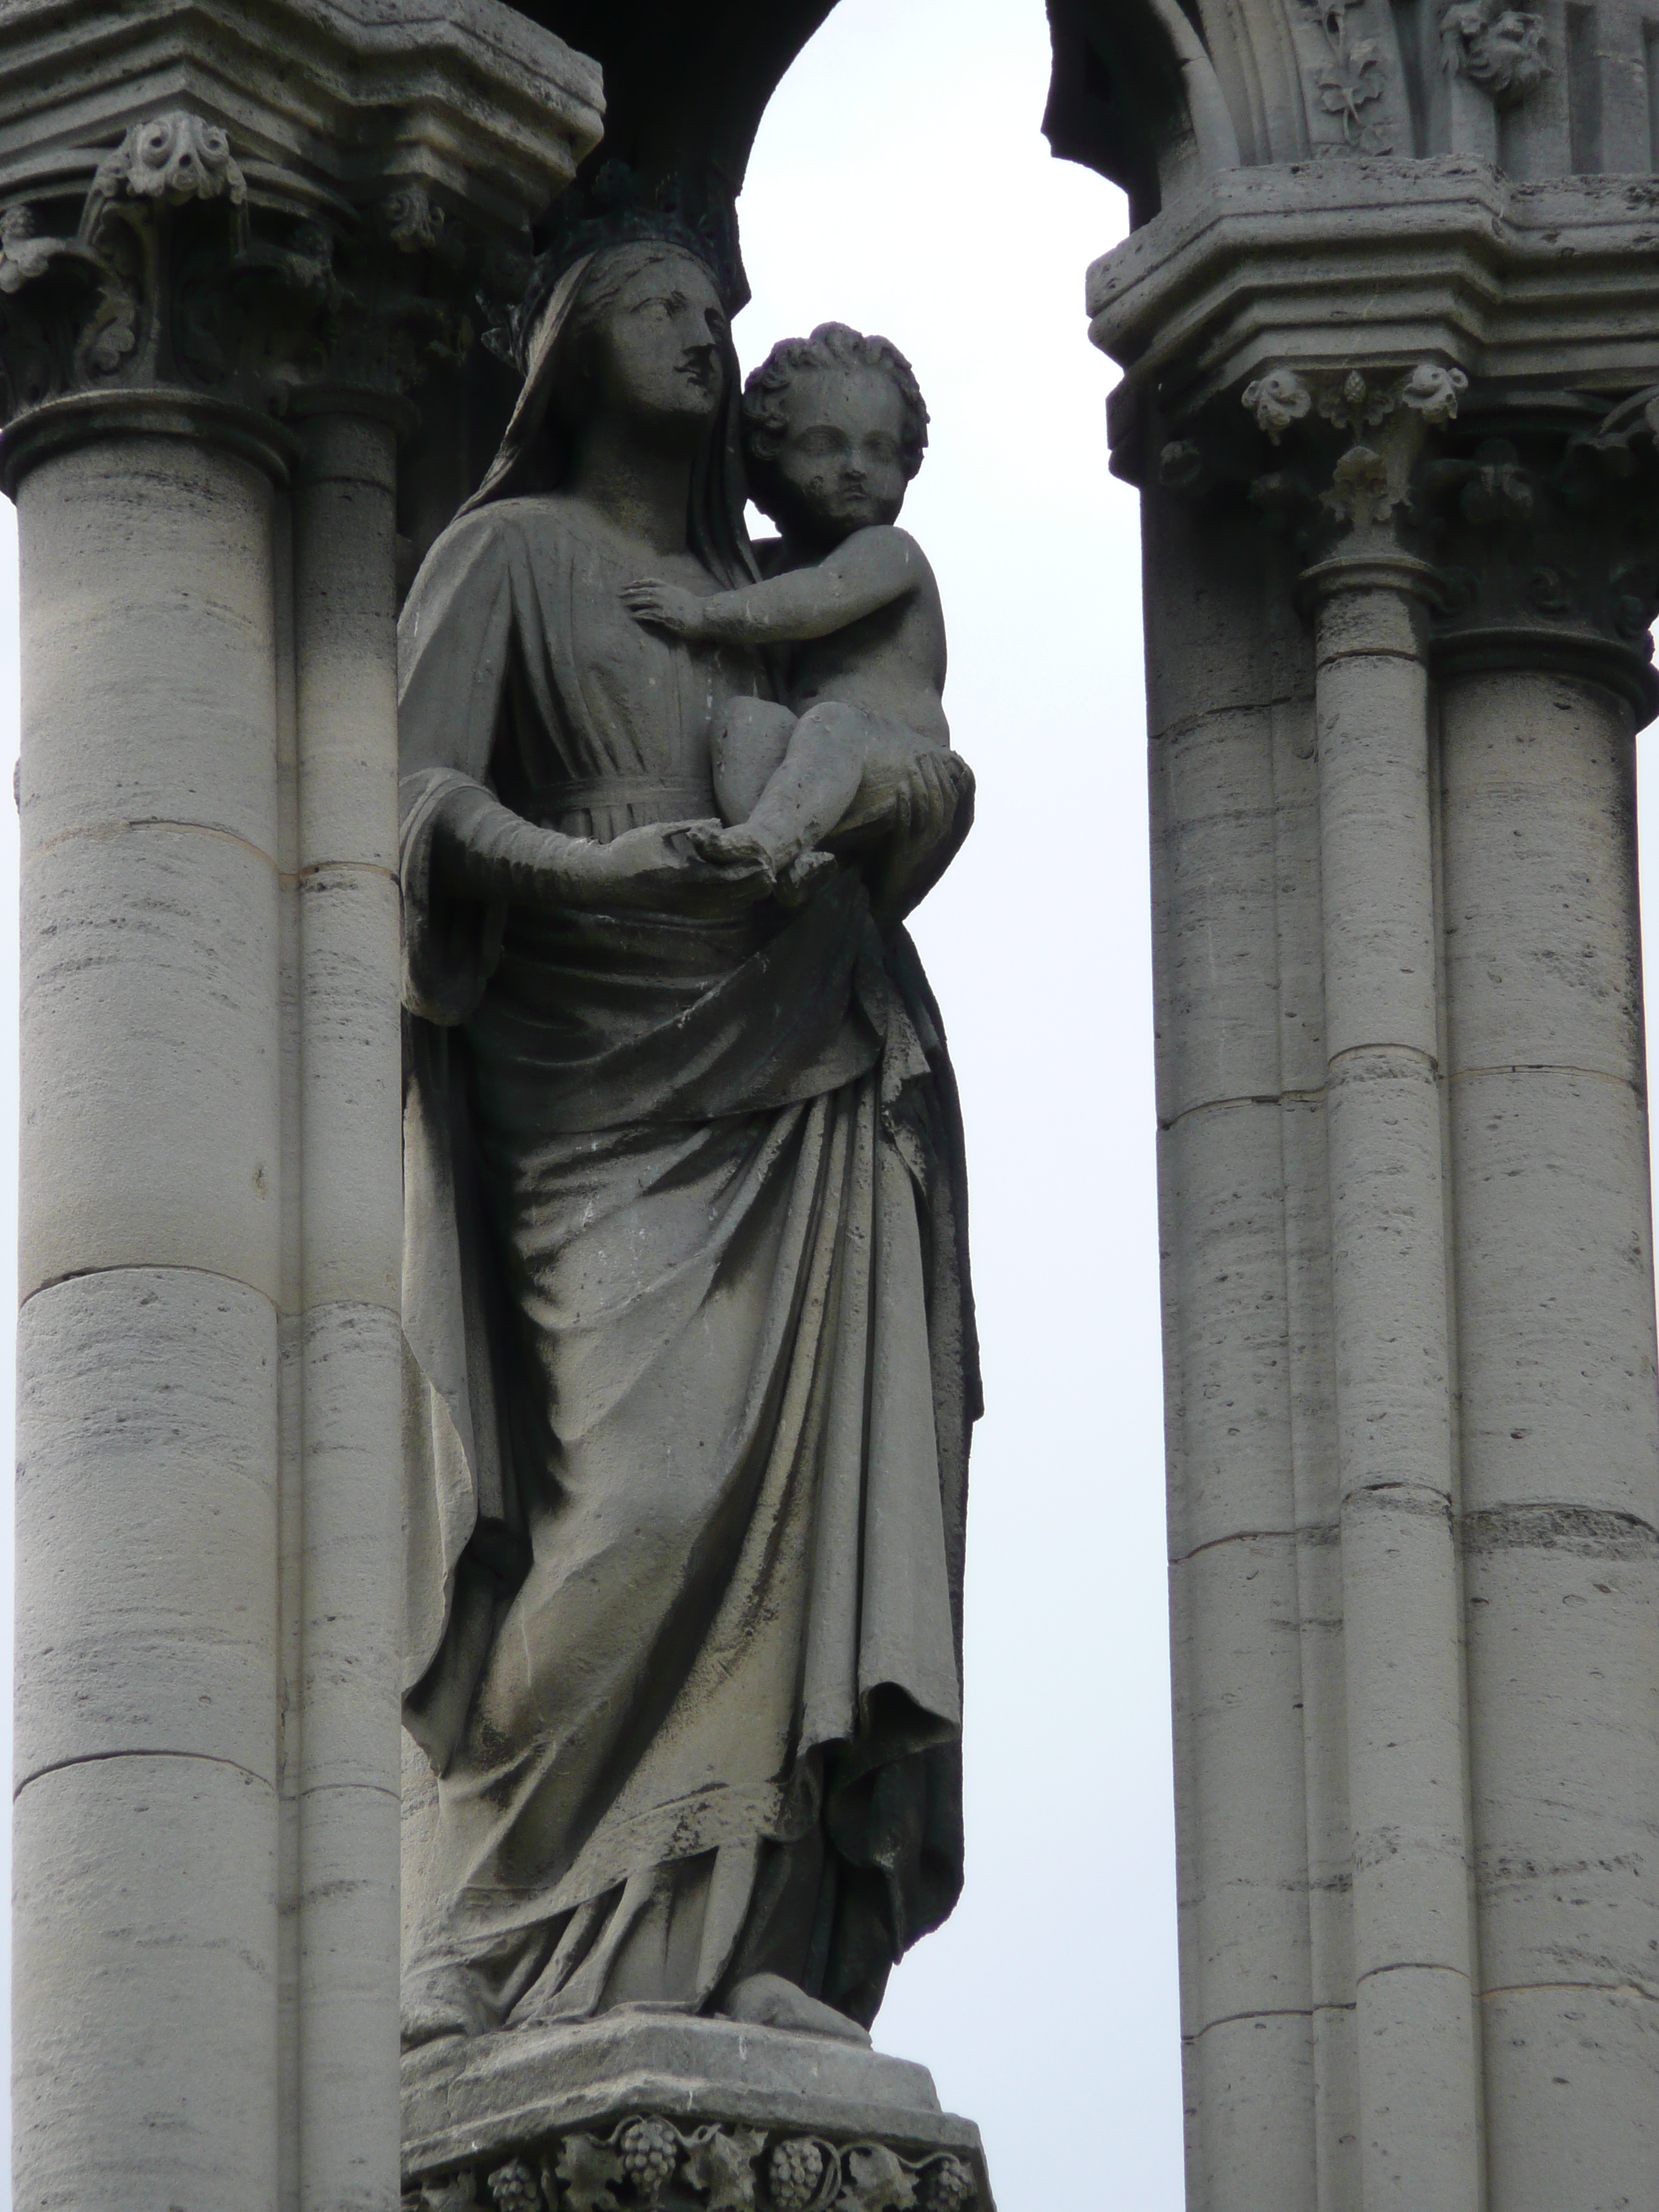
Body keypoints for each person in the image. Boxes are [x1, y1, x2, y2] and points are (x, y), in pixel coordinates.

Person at [396, 218, 980, 2052]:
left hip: (802, 1054)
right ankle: (495, 1922)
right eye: (660, 307)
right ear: (575, 343)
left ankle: (743, 1926)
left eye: (718, 314)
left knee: (791, 1505)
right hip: (593, 1069)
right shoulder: (510, 557)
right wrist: (589, 866)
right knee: (623, 1506)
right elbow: (412, 797)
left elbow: (899, 752)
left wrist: (888, 797)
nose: (704, 338)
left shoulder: (777, 589)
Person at [620, 323, 958, 904]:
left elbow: (816, 601)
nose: (856, 467)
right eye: (827, 444)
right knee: (744, 722)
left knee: (834, 724)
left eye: (878, 449)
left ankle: (768, 842)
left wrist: (703, 616)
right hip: (813, 773)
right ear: (768, 455)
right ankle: (782, 865)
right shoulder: (757, 565)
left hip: (899, 759)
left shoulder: (890, 551)